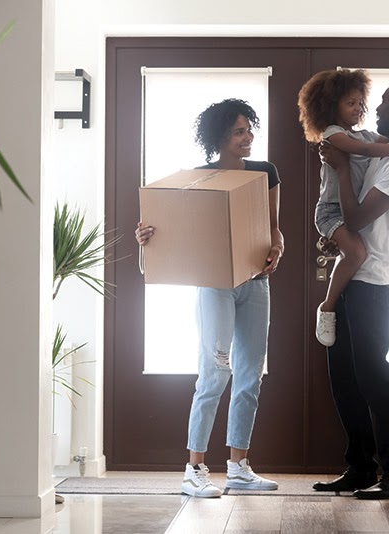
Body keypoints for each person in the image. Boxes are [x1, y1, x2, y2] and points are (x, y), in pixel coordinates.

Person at [135, 98, 284, 498]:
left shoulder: (265, 173)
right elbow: (174, 229)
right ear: (220, 136)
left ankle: (238, 466)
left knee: (250, 374)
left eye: (249, 129)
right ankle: (195, 468)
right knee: (215, 373)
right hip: (214, 284)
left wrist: (277, 248)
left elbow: (273, 229)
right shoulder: (199, 178)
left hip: (255, 282)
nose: (248, 137)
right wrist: (147, 236)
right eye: (239, 131)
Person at [312, 81, 389, 499]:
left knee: (374, 377)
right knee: (344, 379)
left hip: (375, 285)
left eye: (381, 101)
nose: (373, 107)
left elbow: (359, 218)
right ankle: (360, 467)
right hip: (356, 282)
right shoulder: (385, 153)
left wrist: (342, 169)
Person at [297, 69, 389, 347]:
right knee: (356, 252)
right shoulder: (334, 135)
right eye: (351, 103)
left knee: (356, 252)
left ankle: (327, 307)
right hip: (329, 211)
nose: (363, 108)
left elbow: (385, 144)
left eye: (361, 102)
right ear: (331, 106)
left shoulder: (372, 141)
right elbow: (374, 150)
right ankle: (326, 307)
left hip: (374, 279)